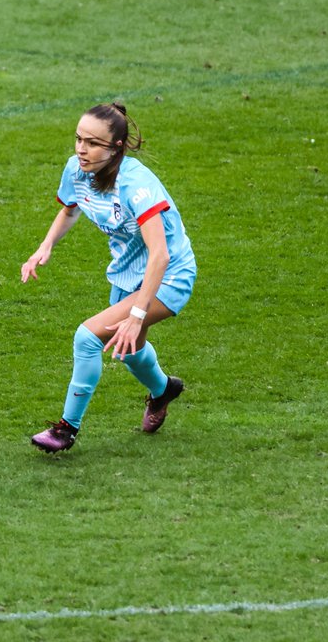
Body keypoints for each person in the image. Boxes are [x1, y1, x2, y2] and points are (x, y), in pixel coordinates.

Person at [20, 103, 196, 452]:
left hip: (169, 275)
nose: (82, 149)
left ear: (116, 147)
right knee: (130, 352)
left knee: (87, 338)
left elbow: (160, 255)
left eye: (93, 143)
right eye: (78, 139)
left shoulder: (136, 184)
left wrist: (137, 314)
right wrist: (46, 245)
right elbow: (70, 209)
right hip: (128, 274)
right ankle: (164, 390)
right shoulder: (77, 169)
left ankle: (65, 430)